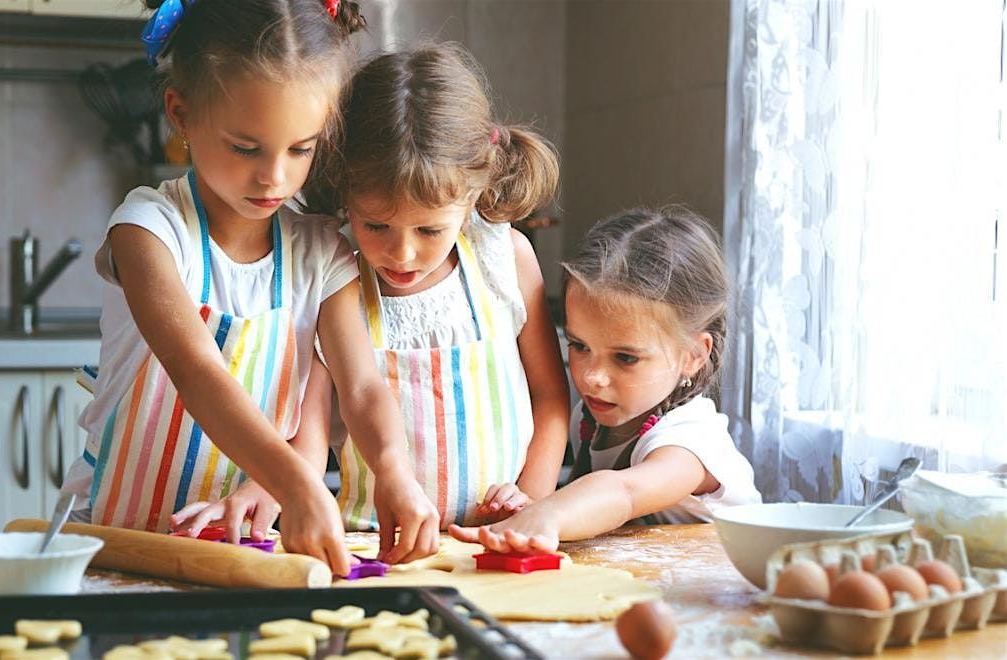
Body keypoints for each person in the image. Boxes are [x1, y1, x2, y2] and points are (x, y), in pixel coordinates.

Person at [60, 0, 438, 573]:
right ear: (181, 114)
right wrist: (298, 486)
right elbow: (197, 370)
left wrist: (394, 470)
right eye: (246, 147)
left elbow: (361, 388)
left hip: (240, 553)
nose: (274, 177)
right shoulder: (150, 231)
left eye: (301, 148)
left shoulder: (321, 251)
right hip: (116, 543)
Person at [300, 44, 571, 530]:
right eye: (376, 226)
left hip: (499, 538)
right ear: (344, 192)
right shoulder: (337, 275)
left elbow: (549, 396)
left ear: (471, 197)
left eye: (429, 231)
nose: (401, 254)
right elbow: (313, 424)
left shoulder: (504, 258)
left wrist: (529, 503)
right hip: (378, 540)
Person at [449, 206, 762, 553]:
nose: (592, 377)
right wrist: (526, 507)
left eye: (626, 358)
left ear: (693, 355)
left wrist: (549, 515)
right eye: (579, 346)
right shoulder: (590, 417)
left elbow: (623, 493)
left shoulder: (690, 442)